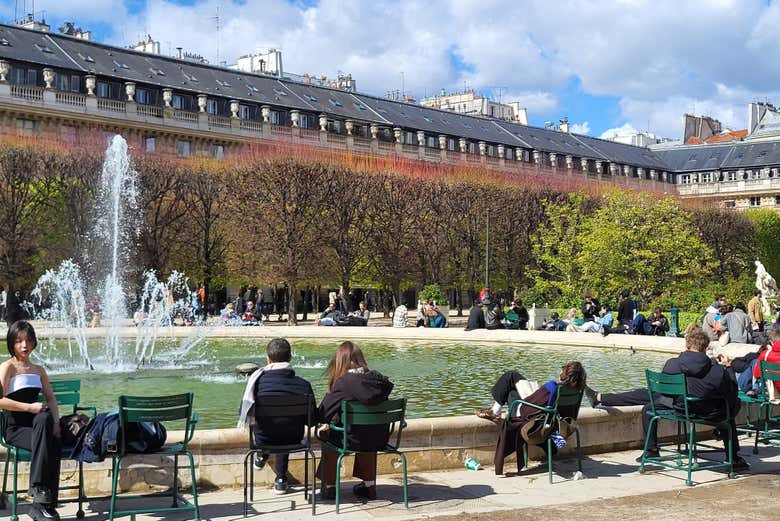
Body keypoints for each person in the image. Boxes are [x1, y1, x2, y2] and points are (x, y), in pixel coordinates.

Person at [584, 326, 748, 470]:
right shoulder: (717, 371)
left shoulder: (672, 364)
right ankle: (733, 458)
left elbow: (664, 392)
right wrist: (729, 369)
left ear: (686, 346)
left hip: (680, 410)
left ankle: (651, 449)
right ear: (706, 348)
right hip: (709, 414)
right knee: (730, 408)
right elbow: (732, 393)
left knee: (649, 406)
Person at [474, 361, 587, 475]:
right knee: (513, 376)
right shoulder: (578, 390)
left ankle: (494, 410)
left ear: (564, 374)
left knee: (510, 382)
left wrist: (535, 393)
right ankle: (495, 410)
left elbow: (529, 405)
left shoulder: (553, 386)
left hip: (532, 421)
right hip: (555, 423)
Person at [0, 321, 63, 521]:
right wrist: (29, 407)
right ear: (12, 344)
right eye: (19, 341)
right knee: (48, 441)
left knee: (46, 423)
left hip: (38, 426)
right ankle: (42, 500)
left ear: (34, 342)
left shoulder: (38, 369)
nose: (24, 345)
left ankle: (42, 502)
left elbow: (51, 398)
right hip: (15, 429)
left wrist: (56, 424)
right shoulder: (7, 367)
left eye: (28, 340)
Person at [238, 338, 316, 495]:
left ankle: (262, 454)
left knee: (274, 426)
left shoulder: (256, 383)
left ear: (268, 359)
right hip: (294, 439)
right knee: (285, 426)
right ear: (290, 358)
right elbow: (312, 420)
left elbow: (245, 412)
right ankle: (281, 480)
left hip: (263, 439)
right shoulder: (303, 385)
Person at [316, 342, 393, 501]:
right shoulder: (378, 380)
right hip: (380, 439)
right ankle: (369, 486)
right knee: (367, 430)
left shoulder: (345, 382)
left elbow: (322, 413)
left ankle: (330, 487)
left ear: (342, 361)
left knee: (327, 435)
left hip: (351, 440)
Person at [753, 324, 780, 395]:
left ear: (771, 342)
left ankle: (754, 389)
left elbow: (756, 374)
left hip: (774, 391)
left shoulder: (765, 354)